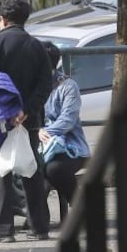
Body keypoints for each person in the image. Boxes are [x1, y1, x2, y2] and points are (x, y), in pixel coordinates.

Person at [0, 0, 52, 243]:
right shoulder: (36, 46)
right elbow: (45, 83)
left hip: (0, 117)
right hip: (29, 119)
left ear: (2, 19)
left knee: (1, 171)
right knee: (31, 170)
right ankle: (39, 226)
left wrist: (8, 110)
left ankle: (3, 229)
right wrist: (26, 110)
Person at [39, 41, 90, 210]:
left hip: (70, 147)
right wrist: (36, 131)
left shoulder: (68, 86)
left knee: (54, 169)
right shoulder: (32, 86)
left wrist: (44, 131)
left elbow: (67, 121)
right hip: (38, 146)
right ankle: (36, 216)